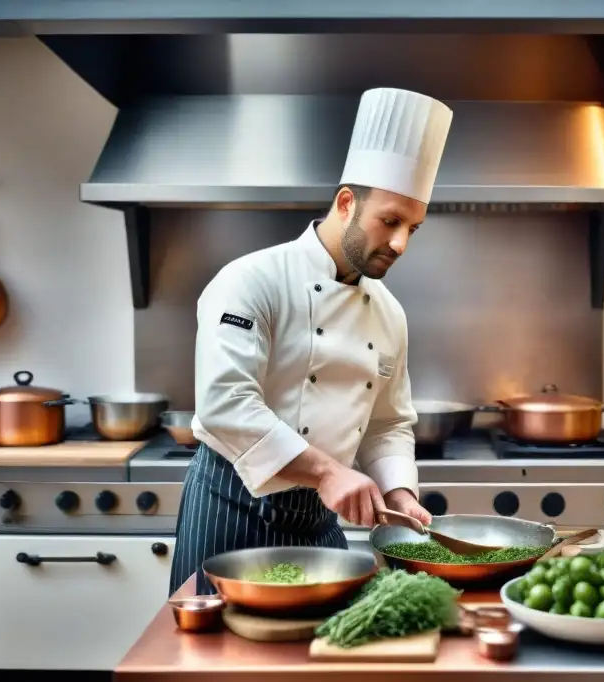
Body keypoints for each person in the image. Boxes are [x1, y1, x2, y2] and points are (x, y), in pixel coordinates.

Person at [169, 88, 454, 595]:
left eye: (413, 227)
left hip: (320, 520)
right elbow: (225, 404)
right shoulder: (251, 281)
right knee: (217, 666)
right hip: (232, 506)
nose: (400, 243)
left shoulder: (389, 313)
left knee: (321, 661)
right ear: (347, 203)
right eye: (390, 221)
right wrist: (327, 473)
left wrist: (400, 491)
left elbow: (387, 423)